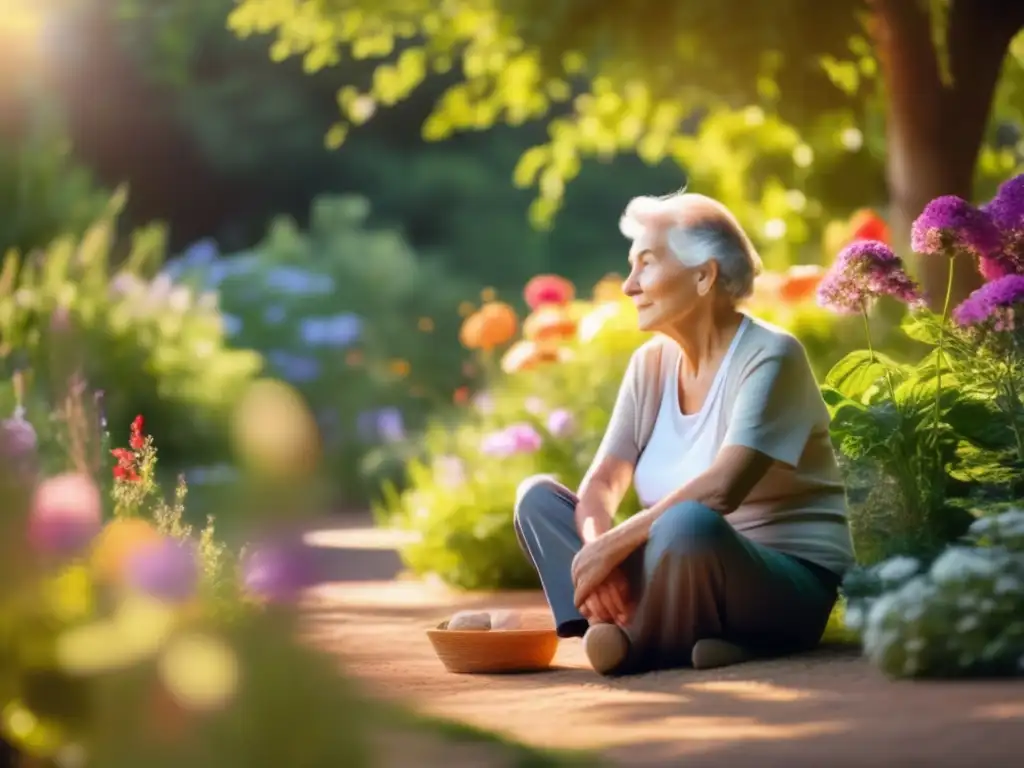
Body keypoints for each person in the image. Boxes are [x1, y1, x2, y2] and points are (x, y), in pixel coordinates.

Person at [514, 192, 854, 675]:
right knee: (538, 499)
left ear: (703, 275)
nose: (630, 285)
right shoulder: (650, 363)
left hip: (780, 582)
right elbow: (603, 482)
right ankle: (693, 640)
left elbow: (723, 488)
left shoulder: (771, 356)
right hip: (674, 569)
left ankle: (631, 642)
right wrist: (596, 549)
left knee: (688, 522)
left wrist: (612, 549)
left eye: (646, 265)